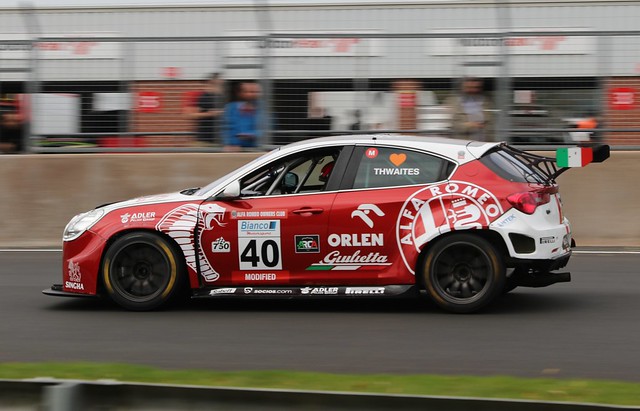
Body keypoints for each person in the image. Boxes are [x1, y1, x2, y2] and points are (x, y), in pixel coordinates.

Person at [446, 77, 494, 141]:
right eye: (469, 87)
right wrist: (470, 125)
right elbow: (450, 125)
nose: (473, 90)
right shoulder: (452, 102)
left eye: (476, 87)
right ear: (462, 88)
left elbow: (492, 124)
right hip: (462, 143)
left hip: (484, 143)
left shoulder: (486, 102)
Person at [184, 73, 224, 145]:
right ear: (210, 82)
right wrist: (209, 114)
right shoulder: (197, 95)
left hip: (222, 139)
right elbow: (188, 115)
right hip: (203, 139)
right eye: (217, 85)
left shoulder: (223, 97)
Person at [223, 81, 263, 152]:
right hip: (235, 149)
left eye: (256, 92)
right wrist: (232, 143)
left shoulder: (263, 109)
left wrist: (251, 135)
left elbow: (267, 129)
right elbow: (226, 128)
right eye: (250, 92)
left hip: (257, 148)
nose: (253, 94)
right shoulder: (231, 108)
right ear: (241, 93)